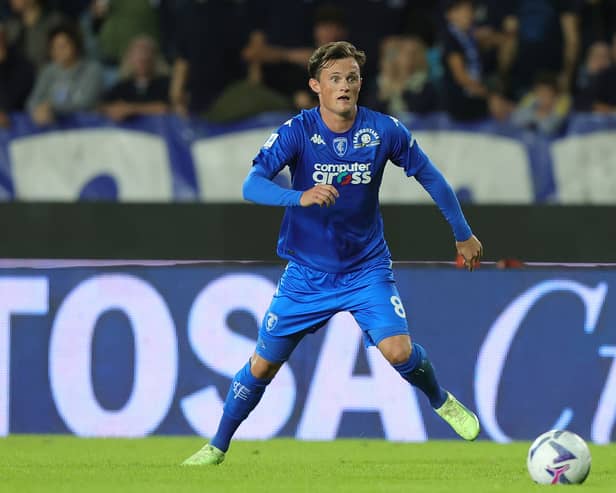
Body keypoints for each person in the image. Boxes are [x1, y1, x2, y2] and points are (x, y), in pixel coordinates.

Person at [182, 41, 483, 466]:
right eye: (335, 79)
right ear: (316, 86)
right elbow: (251, 184)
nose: (344, 86)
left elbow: (432, 178)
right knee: (262, 366)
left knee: (398, 351)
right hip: (307, 273)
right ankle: (216, 445)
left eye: (352, 78)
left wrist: (463, 234)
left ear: (361, 84)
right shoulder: (297, 132)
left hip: (366, 268)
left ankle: (440, 400)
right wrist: (298, 197)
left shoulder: (384, 131)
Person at [26, 21, 103, 125]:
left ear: (75, 45)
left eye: (63, 46)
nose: (59, 51)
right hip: (52, 128)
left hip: (86, 129)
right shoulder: (48, 71)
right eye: (54, 47)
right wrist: (37, 110)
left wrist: (53, 108)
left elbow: (85, 103)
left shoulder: (92, 70)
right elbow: (33, 100)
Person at [100, 35, 169, 122]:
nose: (143, 58)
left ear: (155, 58)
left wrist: (131, 109)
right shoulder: (122, 86)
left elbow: (166, 108)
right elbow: (102, 106)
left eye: (146, 54)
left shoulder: (165, 83)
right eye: (138, 56)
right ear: (130, 59)